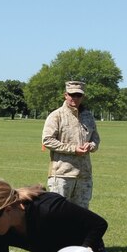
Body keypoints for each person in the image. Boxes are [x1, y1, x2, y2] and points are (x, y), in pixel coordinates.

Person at [42, 80, 100, 209]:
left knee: (81, 216)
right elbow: (47, 140)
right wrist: (73, 149)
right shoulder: (56, 116)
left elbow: (96, 139)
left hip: (84, 175)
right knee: (58, 215)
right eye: (72, 94)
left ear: (83, 97)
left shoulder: (88, 116)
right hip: (62, 175)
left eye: (78, 95)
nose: (75, 98)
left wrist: (91, 145)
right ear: (65, 95)